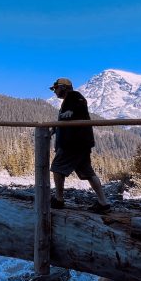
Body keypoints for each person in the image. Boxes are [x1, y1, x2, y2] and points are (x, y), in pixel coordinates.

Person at [49, 78, 110, 213]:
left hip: (72, 144)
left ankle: (58, 200)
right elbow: (69, 118)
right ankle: (103, 202)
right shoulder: (68, 101)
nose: (54, 91)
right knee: (88, 172)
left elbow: (79, 106)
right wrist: (56, 128)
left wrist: (71, 112)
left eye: (55, 88)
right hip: (80, 143)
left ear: (63, 87)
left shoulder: (75, 96)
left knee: (57, 168)